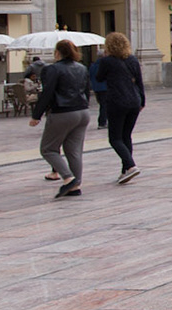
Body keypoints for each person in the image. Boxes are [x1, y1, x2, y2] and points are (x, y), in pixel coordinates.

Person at [30, 41, 91, 197]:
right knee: (74, 151)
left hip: (63, 112)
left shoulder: (53, 69)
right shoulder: (82, 68)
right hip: (82, 111)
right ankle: (76, 186)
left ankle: (68, 178)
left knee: (48, 149)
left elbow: (48, 92)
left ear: (57, 52)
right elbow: (86, 91)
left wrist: (37, 114)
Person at [93, 31, 146, 183]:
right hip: (134, 101)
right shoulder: (133, 60)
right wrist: (142, 101)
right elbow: (139, 82)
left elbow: (99, 78)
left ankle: (130, 166)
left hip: (117, 101)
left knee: (115, 138)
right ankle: (125, 171)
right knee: (126, 136)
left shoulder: (107, 61)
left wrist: (102, 60)